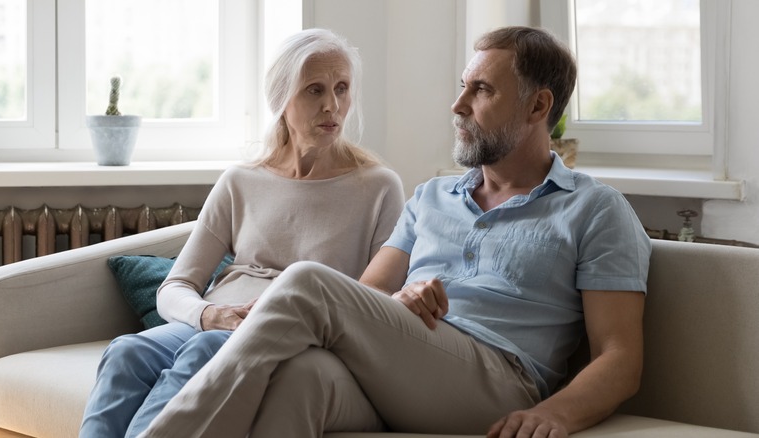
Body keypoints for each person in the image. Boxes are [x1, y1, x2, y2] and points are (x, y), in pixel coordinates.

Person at [136, 26, 651, 438]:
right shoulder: (431, 198)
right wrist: (399, 302)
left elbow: (620, 357)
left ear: (538, 107)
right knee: (301, 380)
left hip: (499, 379)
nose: (458, 105)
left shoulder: (594, 209)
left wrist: (558, 413)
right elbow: (364, 298)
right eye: (462, 86)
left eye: (482, 90)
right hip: (409, 366)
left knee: (307, 282)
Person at [78, 28, 405, 438]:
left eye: (342, 89)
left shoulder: (378, 186)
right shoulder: (240, 181)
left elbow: (377, 302)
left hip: (288, 332)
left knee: (202, 351)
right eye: (315, 90)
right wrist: (208, 313)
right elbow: (175, 286)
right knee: (126, 351)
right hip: (213, 322)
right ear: (280, 99)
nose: (332, 105)